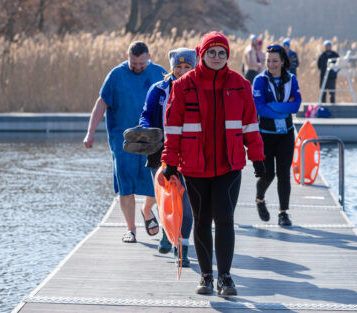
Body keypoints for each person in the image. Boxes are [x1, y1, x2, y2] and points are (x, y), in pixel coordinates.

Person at [161, 31, 265, 296]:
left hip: (229, 166)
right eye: (211, 53)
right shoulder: (183, 85)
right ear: (202, 54)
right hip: (195, 166)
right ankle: (206, 277)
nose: (217, 57)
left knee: (225, 218)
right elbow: (173, 128)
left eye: (222, 53)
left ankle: (226, 278)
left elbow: (251, 125)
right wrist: (169, 162)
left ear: (227, 56)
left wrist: (258, 157)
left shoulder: (240, 84)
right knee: (202, 219)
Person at [83, 41, 166, 243]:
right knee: (125, 184)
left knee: (156, 181)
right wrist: (90, 132)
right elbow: (101, 103)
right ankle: (131, 229)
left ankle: (146, 210)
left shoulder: (160, 73)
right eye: (133, 63)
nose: (137, 67)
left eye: (141, 64)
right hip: (122, 140)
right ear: (127, 57)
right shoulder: (116, 75)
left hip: (152, 139)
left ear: (149, 57)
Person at [139, 48, 196, 267]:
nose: (182, 71)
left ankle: (181, 247)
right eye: (178, 67)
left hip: (188, 152)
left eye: (187, 67)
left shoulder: (199, 89)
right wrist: (145, 130)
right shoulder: (158, 89)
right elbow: (146, 114)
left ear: (194, 67)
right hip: (160, 150)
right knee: (165, 200)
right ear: (171, 68)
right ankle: (167, 232)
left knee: (186, 203)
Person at [252, 44, 302, 226]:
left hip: (286, 134)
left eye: (274, 61)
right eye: (268, 61)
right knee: (267, 175)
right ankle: (259, 199)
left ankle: (283, 212)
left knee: (284, 174)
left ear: (282, 61)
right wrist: (282, 109)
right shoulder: (259, 81)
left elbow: (295, 106)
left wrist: (273, 105)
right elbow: (259, 108)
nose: (271, 64)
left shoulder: (291, 79)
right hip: (265, 135)